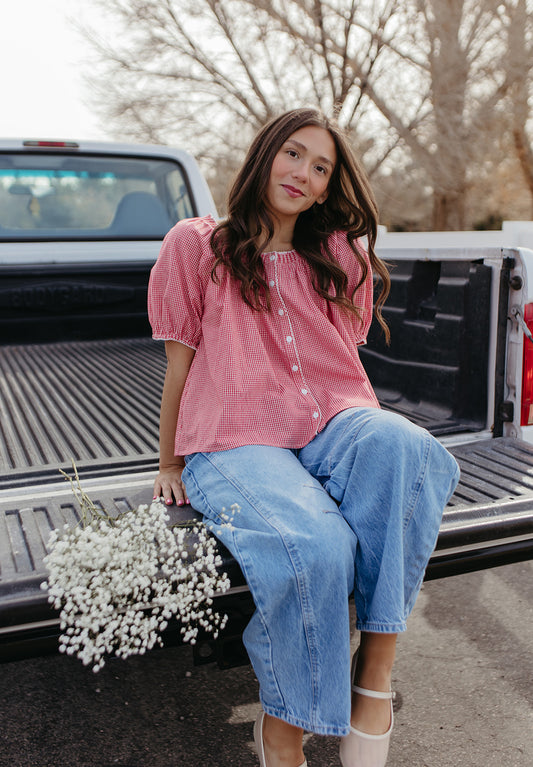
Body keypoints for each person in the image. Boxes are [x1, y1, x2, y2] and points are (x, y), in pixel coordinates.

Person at [148, 108, 460, 767]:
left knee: (405, 445)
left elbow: (334, 355)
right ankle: (285, 724)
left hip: (329, 420)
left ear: (325, 189)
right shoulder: (196, 244)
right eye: (293, 154)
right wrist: (170, 458)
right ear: (264, 155)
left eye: (320, 168)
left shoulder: (336, 251)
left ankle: (375, 667)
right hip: (235, 437)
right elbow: (179, 360)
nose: (303, 173)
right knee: (317, 544)